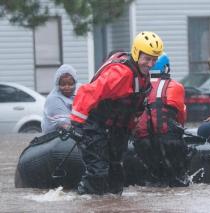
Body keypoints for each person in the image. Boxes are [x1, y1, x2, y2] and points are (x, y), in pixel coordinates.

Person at [69, 31, 164, 195]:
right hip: (95, 125)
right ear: (136, 53)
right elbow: (86, 92)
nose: (150, 64)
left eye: (154, 59)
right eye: (147, 58)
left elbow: (135, 109)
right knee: (98, 173)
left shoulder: (143, 78)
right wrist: (77, 125)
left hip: (116, 130)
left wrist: (132, 130)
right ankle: (82, 203)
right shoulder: (121, 73)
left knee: (117, 174)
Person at [133, 52, 189, 186]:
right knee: (178, 183)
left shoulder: (136, 85)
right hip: (168, 141)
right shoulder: (175, 86)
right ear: (166, 68)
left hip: (142, 143)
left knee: (152, 183)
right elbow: (181, 118)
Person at [41, 64, 80, 134]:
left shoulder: (78, 93)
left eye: (70, 84)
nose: (67, 87)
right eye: (63, 84)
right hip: (55, 139)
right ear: (57, 84)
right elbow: (65, 123)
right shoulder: (53, 99)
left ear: (75, 83)